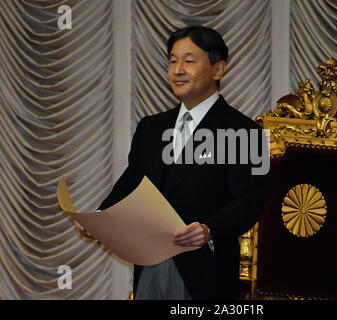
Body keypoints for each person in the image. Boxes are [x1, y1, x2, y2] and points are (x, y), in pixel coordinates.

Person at [76, 25, 268, 300]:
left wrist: (209, 229)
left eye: (189, 61)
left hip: (205, 270)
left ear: (218, 70)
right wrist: (100, 217)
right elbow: (132, 184)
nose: (177, 69)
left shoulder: (245, 132)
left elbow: (249, 201)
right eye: (172, 61)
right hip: (149, 263)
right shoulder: (151, 127)